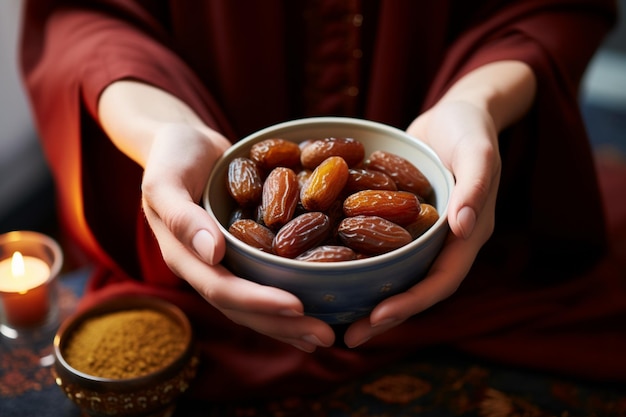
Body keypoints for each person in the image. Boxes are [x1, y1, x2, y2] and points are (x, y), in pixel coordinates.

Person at [20, 0, 626, 401]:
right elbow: (79, 17)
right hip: (189, 291)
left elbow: (559, 7)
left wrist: (476, 106)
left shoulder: (382, 189)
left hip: (496, 271)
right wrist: (160, 130)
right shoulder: (266, 195)